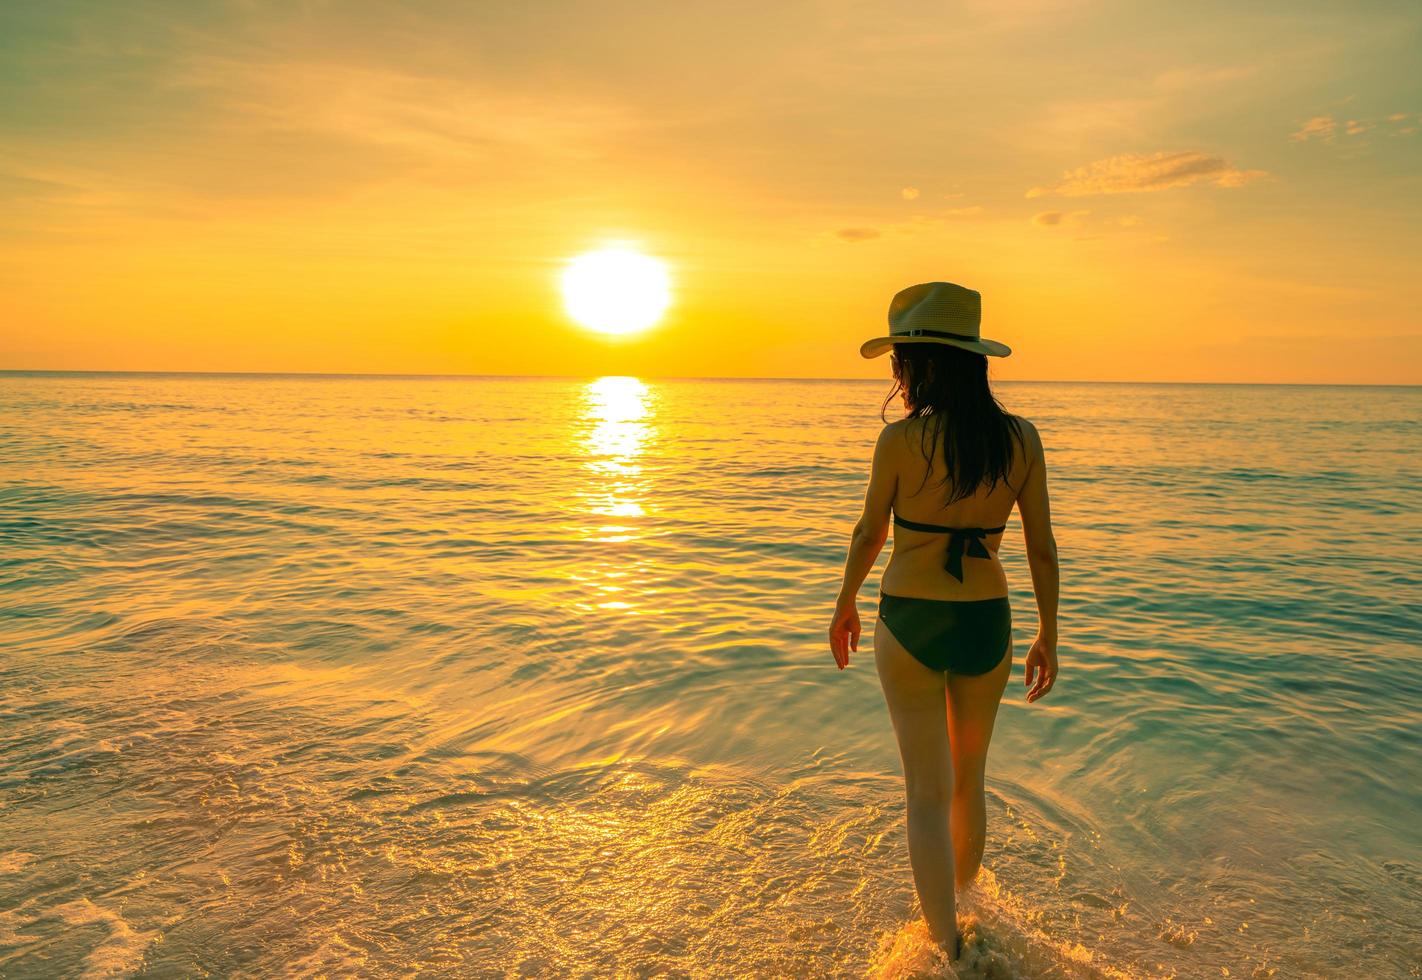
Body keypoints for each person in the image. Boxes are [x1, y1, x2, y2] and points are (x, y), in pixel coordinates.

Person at [828, 281, 1060, 961]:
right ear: (974, 359)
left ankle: (947, 947)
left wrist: (845, 602)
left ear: (917, 365)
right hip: (986, 618)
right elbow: (1042, 546)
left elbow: (870, 531)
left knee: (925, 794)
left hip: (911, 619)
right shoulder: (1021, 439)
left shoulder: (900, 442)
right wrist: (1049, 633)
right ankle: (963, 909)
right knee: (968, 779)